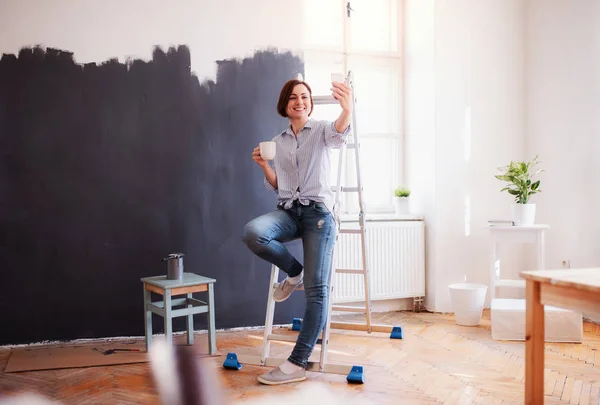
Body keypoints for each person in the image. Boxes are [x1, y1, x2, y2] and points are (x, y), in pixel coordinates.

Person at [242, 76, 353, 385]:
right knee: (254, 233)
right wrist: (265, 168)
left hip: (319, 215)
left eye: (304, 96)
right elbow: (281, 185)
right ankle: (295, 273)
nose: (300, 101)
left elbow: (339, 132)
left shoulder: (320, 130)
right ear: (285, 104)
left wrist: (347, 108)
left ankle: (298, 362)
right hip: (289, 211)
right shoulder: (278, 141)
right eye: (293, 97)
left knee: (318, 291)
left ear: (310, 103)